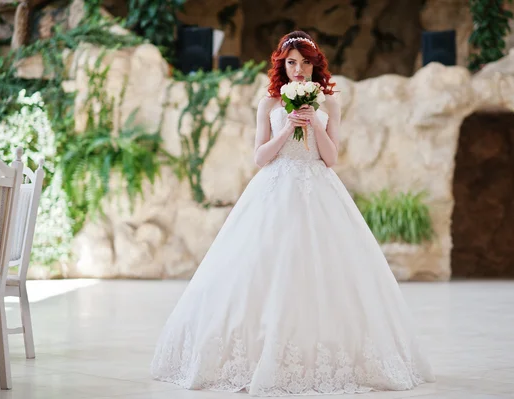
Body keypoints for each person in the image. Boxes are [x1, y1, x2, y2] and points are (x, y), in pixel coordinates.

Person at [151, 30, 435, 396]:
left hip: (318, 188)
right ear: (282, 66)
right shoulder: (267, 103)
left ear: (315, 65)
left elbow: (331, 159)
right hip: (274, 188)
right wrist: (287, 128)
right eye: (291, 63)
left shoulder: (330, 102)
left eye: (304, 62)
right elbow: (259, 158)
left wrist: (313, 121)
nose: (298, 70)